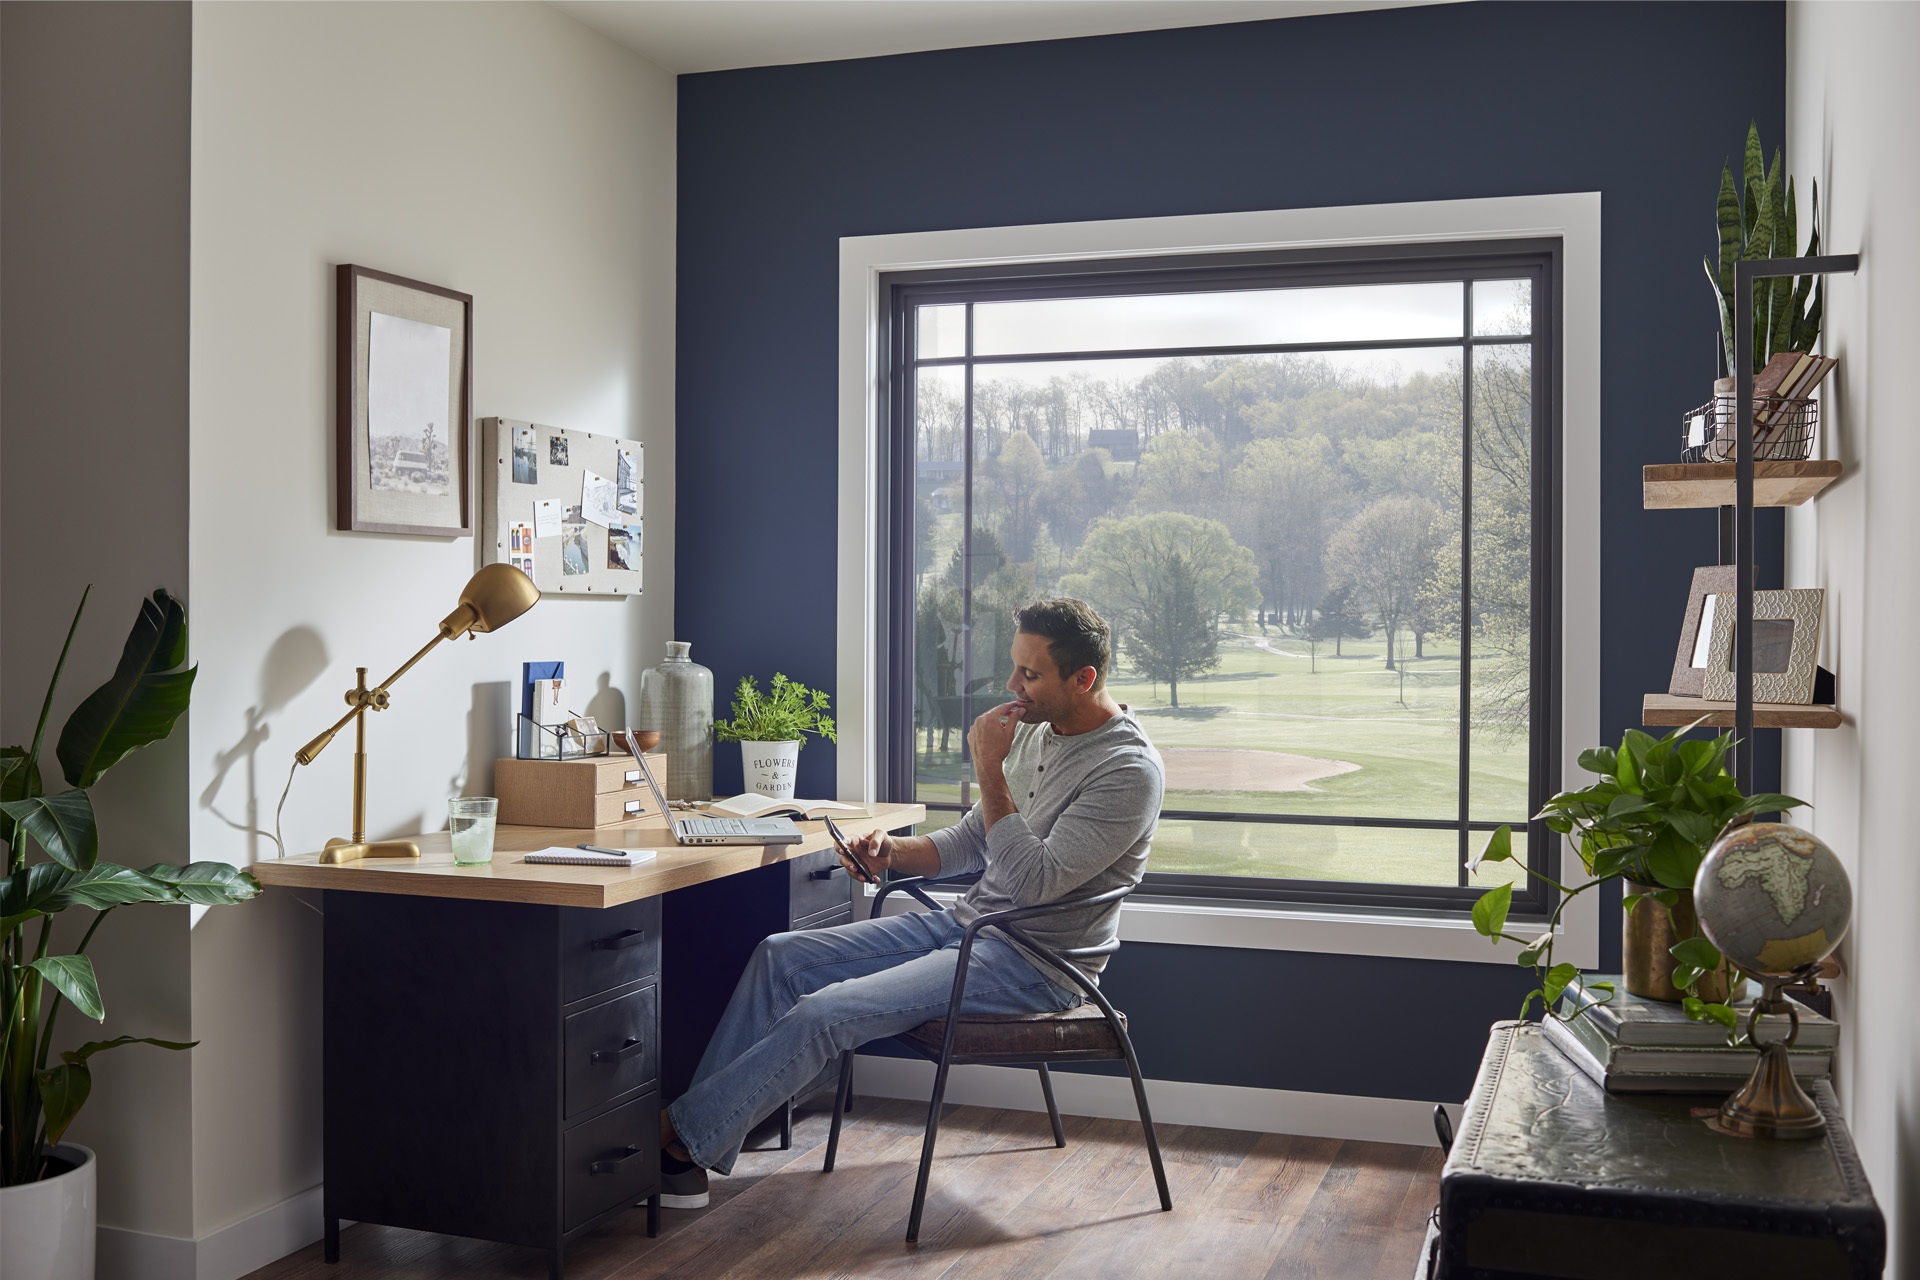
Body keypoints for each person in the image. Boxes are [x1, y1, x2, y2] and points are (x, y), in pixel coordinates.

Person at [656, 597, 1164, 1207]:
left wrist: (989, 770)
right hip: (969, 927)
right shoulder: (1037, 734)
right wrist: (891, 853)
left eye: (1029, 674)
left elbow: (1032, 882)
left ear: (1084, 679)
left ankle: (674, 1145)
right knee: (780, 955)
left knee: (827, 1013)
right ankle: (694, 1147)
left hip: (1036, 964)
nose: (1012, 687)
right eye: (1014, 668)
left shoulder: (1128, 770)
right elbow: (977, 841)